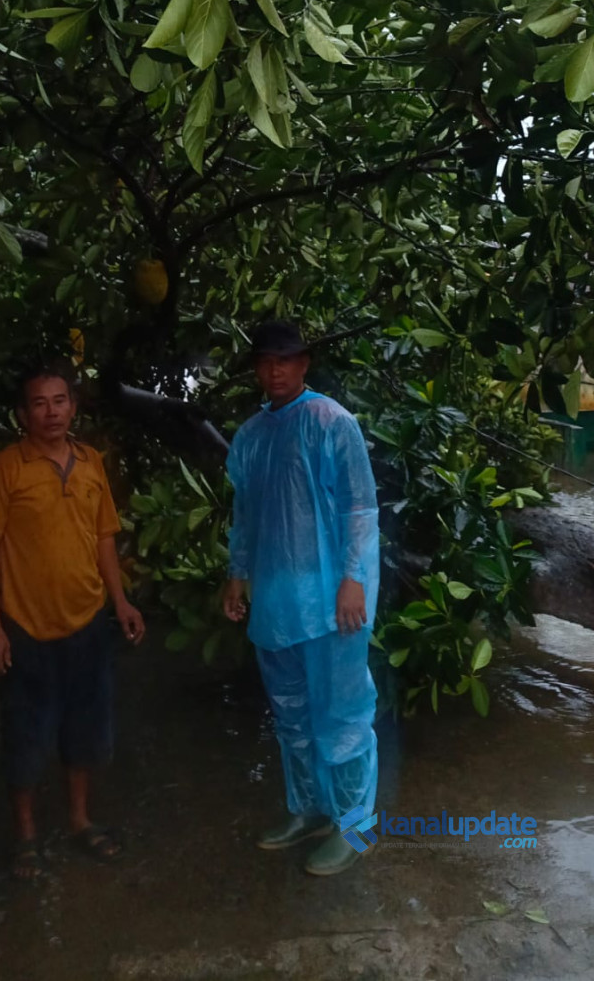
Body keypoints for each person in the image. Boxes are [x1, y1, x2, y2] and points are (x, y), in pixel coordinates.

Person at [0, 357, 145, 878]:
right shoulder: (4, 469)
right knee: (25, 733)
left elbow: (104, 539)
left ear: (73, 406)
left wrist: (121, 601)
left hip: (88, 622)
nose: (51, 412)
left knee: (85, 729)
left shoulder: (92, 463)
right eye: (39, 403)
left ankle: (79, 820)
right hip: (25, 627)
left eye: (60, 400)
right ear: (23, 413)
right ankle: (25, 837)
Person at [223, 321, 379, 877]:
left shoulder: (332, 422)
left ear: (304, 362)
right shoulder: (251, 436)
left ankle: (355, 823)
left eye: (285, 360)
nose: (275, 371)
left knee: (341, 713)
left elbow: (359, 509)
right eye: (265, 361)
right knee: (290, 714)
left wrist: (354, 578)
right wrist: (237, 575)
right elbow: (245, 515)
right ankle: (309, 809)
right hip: (276, 599)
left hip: (334, 599)